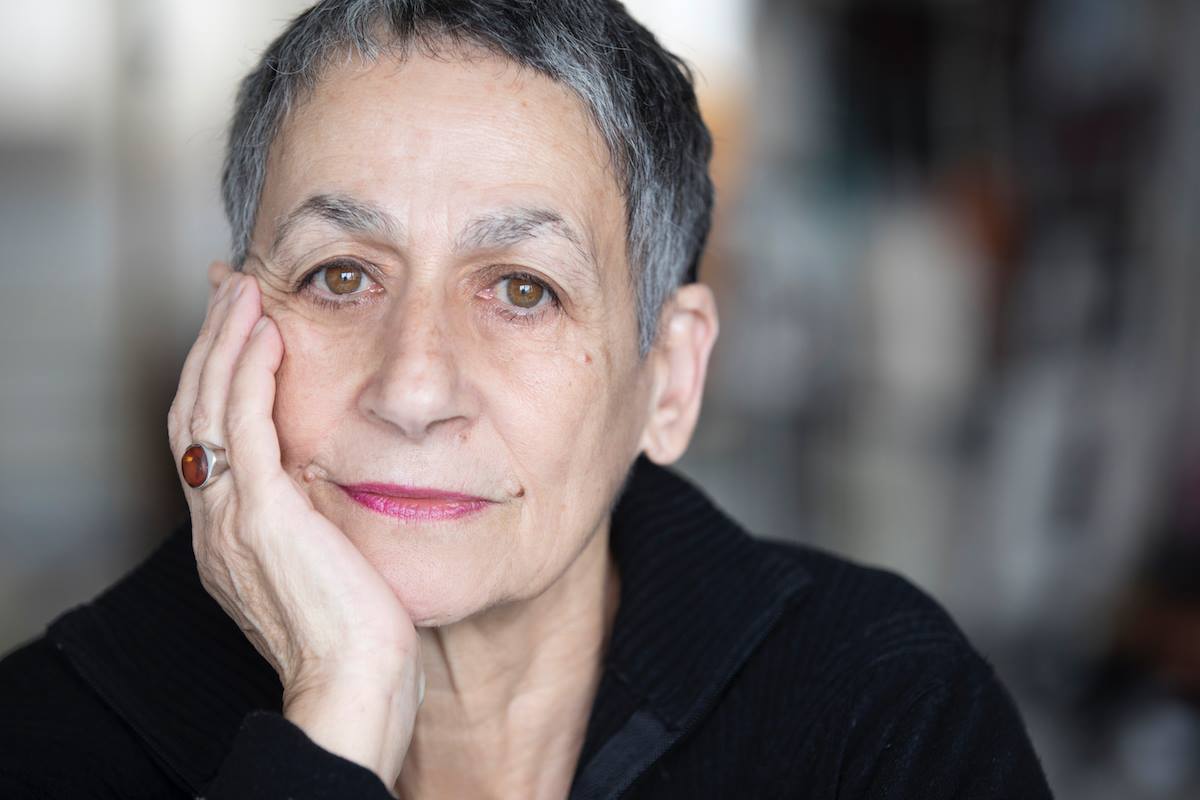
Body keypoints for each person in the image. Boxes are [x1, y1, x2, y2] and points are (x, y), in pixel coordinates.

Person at [0, 1, 1055, 797]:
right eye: (341, 275)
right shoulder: (42, 740)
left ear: (670, 377)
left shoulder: (879, 715)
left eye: (522, 289)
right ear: (226, 336)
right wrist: (335, 711)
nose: (415, 387)